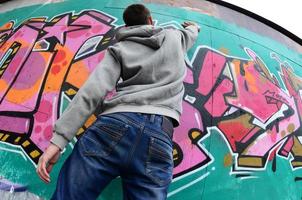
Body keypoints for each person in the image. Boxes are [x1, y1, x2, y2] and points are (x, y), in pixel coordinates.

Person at [37, 3, 199, 200]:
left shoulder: (120, 48)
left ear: (127, 26)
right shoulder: (175, 38)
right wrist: (193, 27)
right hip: (159, 133)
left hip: (113, 125)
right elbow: (190, 33)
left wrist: (58, 141)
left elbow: (92, 92)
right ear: (150, 20)